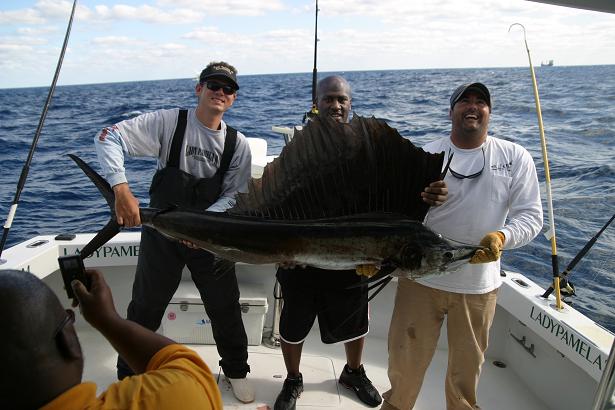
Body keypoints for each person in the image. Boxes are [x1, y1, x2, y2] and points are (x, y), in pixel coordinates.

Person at [273, 75, 448, 410]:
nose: (336, 105)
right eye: (328, 99)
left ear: (350, 103)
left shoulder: (367, 150)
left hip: (357, 257)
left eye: (342, 99)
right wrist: (282, 248)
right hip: (300, 256)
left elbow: (402, 198)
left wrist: (432, 192)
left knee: (355, 322)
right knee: (292, 325)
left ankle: (353, 372)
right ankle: (294, 378)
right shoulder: (299, 148)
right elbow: (280, 203)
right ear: (317, 102)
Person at [94, 61, 254, 403]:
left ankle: (237, 370)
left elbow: (233, 196)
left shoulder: (238, 144)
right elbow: (108, 137)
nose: (220, 92)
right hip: (161, 237)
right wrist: (120, 189)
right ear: (199, 88)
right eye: (213, 84)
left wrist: (198, 228)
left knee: (226, 307)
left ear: (233, 99)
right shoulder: (170, 122)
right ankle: (128, 375)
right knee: (144, 309)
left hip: (210, 239)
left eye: (228, 89)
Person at [381, 82, 543, 410]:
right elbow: (398, 216)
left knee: (465, 379)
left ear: (489, 112)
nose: (472, 106)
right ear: (451, 110)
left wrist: (502, 237)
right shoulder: (426, 154)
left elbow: (531, 217)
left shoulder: (515, 157)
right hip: (421, 281)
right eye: (464, 100)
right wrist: (421, 201)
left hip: (478, 287)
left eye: (480, 101)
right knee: (403, 366)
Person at [0, 268, 223, 409]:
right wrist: (107, 320)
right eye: (67, 319)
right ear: (67, 342)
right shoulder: (174, 396)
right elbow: (187, 369)